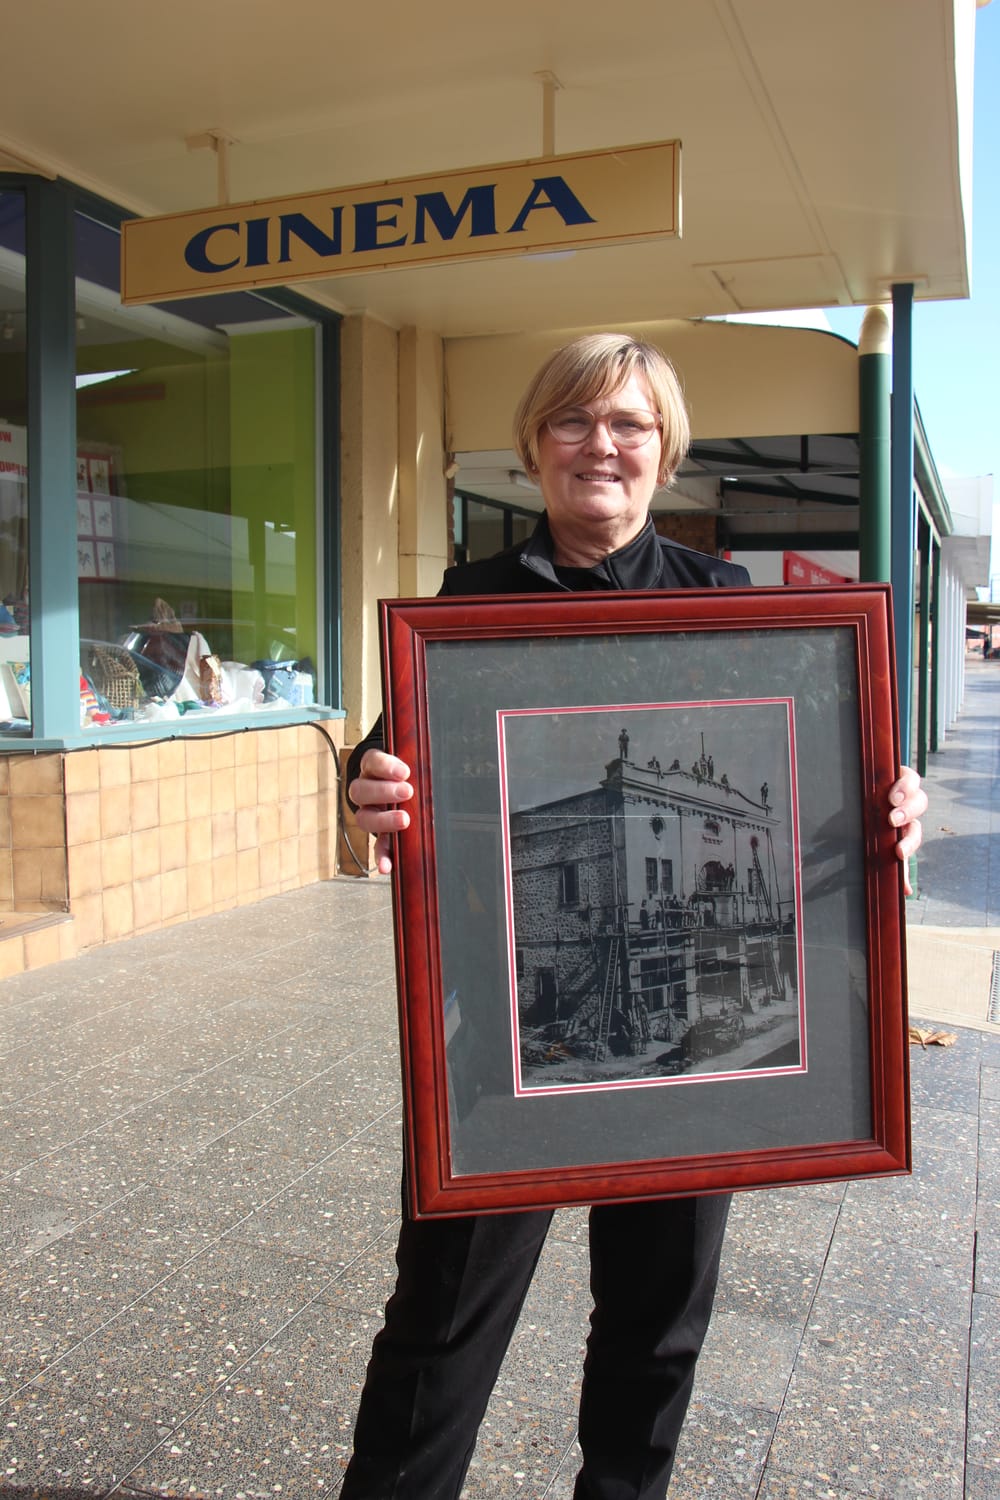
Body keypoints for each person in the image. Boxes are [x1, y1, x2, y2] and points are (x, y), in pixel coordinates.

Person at [344, 333, 926, 1500]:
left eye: (628, 424)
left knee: (657, 1326)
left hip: (692, 1071)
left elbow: (815, 778)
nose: (598, 445)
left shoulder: (726, 605)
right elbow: (388, 758)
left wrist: (889, 801)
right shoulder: (466, 605)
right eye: (571, 420)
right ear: (534, 447)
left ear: (665, 451)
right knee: (440, 1321)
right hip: (499, 1037)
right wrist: (366, 783)